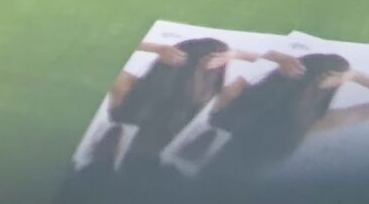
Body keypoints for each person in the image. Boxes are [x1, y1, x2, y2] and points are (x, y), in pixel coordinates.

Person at [170, 52, 369, 183]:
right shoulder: (310, 123)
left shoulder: (238, 91)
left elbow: (220, 57)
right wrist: (355, 76)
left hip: (177, 179)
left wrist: (278, 59)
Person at [68, 36, 247, 190]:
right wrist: (235, 54)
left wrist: (157, 49)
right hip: (161, 185)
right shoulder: (220, 100)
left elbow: (96, 49)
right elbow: (260, 66)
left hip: (100, 178)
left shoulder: (129, 87)